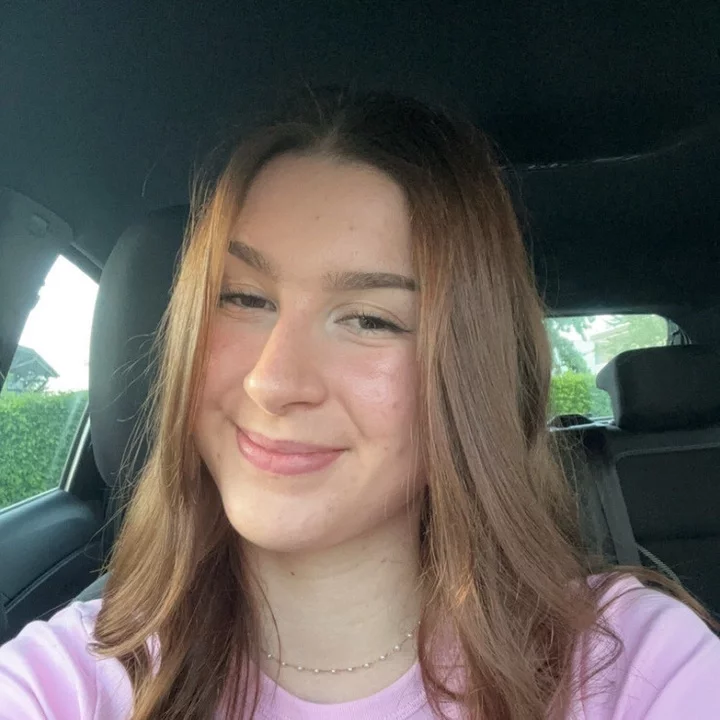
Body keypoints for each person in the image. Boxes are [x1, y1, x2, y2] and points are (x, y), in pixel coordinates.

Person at [1, 90, 719, 720]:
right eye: (243, 298)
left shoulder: (635, 667)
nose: (273, 382)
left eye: (370, 319)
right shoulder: (70, 679)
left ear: (470, 376)